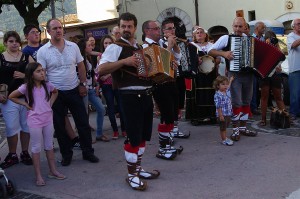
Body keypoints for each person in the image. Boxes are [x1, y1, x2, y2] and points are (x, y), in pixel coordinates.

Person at [98, 12, 159, 191]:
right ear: (119, 27)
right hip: (129, 96)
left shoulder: (139, 46)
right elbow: (101, 69)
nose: (126, 29)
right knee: (133, 137)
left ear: (135, 28)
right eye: (123, 26)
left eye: (129, 26)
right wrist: (124, 61)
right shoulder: (115, 47)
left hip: (146, 94)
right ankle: (131, 175)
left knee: (142, 136)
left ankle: (138, 169)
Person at [37, 18, 99, 166]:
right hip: (55, 93)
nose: (58, 30)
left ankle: (88, 152)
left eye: (60, 28)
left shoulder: (73, 47)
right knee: (59, 126)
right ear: (49, 31)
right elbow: (42, 73)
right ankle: (67, 155)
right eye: (55, 28)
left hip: (74, 89)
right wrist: (47, 93)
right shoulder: (43, 51)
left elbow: (81, 66)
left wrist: (83, 84)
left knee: (83, 123)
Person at [9, 62, 66, 186]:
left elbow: (55, 92)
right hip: (34, 120)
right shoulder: (26, 87)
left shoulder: (48, 85)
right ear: (31, 74)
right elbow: (11, 96)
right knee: (36, 147)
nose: (42, 73)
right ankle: (38, 175)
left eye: (42, 70)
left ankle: (53, 170)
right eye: (38, 71)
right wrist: (24, 104)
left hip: (48, 118)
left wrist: (50, 104)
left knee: (49, 145)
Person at [208, 17, 258, 141]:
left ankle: (243, 128)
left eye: (240, 26)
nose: (237, 29)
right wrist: (224, 54)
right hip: (234, 74)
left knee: (246, 101)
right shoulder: (226, 38)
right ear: (232, 26)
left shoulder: (250, 39)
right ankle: (235, 130)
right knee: (236, 102)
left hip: (248, 75)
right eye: (235, 26)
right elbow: (210, 50)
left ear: (245, 27)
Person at [0, 31, 34, 169]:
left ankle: (25, 152)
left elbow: (38, 73)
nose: (14, 44)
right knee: (11, 127)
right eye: (11, 41)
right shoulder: (1, 58)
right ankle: (12, 154)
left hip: (26, 97)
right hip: (8, 99)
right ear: (5, 43)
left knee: (26, 127)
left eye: (16, 41)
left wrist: (25, 75)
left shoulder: (26, 56)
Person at [76, 38, 107, 141]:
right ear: (84, 48)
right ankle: (85, 138)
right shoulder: (79, 60)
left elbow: (92, 73)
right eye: (88, 45)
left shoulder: (88, 58)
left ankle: (99, 134)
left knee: (101, 109)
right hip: (83, 89)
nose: (91, 46)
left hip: (91, 89)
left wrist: (96, 83)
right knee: (84, 114)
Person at [96, 35, 126, 140]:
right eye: (105, 43)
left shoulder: (116, 54)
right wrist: (100, 78)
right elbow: (98, 71)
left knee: (122, 108)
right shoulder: (100, 57)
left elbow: (116, 68)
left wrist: (108, 73)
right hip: (106, 86)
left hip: (116, 84)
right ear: (103, 45)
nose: (108, 45)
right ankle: (115, 131)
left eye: (109, 43)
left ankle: (124, 129)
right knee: (111, 108)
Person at [259, 31, 286, 126]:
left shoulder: (277, 48)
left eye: (273, 38)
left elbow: (282, 57)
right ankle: (263, 119)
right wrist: (267, 45)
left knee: (278, 97)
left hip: (275, 75)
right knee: (264, 97)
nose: (272, 40)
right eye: (270, 38)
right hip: (265, 75)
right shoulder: (262, 47)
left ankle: (285, 116)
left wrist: (277, 45)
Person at [213, 76, 234, 146]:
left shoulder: (227, 91)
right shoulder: (218, 95)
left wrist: (230, 80)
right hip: (222, 114)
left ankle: (225, 137)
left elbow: (229, 86)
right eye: (223, 84)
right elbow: (218, 106)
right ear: (218, 86)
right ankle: (224, 140)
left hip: (228, 113)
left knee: (226, 126)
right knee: (223, 128)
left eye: (226, 84)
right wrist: (220, 115)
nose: (225, 86)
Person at [250, 21, 266, 116]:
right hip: (253, 67)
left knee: (260, 88)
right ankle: (253, 107)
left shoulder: (263, 39)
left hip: (261, 67)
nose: (264, 29)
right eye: (262, 27)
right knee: (254, 88)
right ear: (257, 29)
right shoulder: (251, 39)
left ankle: (257, 106)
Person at [287, 18, 300, 121]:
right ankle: (293, 112)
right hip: (295, 68)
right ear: (293, 26)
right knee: (295, 93)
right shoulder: (290, 36)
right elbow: (294, 45)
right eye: (299, 24)